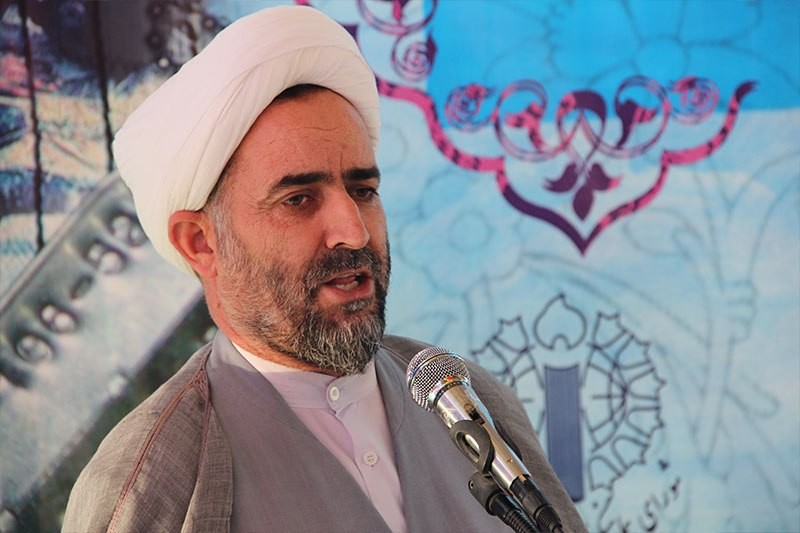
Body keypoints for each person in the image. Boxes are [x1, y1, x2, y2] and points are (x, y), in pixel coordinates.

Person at [62, 6, 587, 532]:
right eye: (299, 199)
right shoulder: (154, 481)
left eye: (363, 190)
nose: (353, 232)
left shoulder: (465, 400)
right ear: (202, 243)